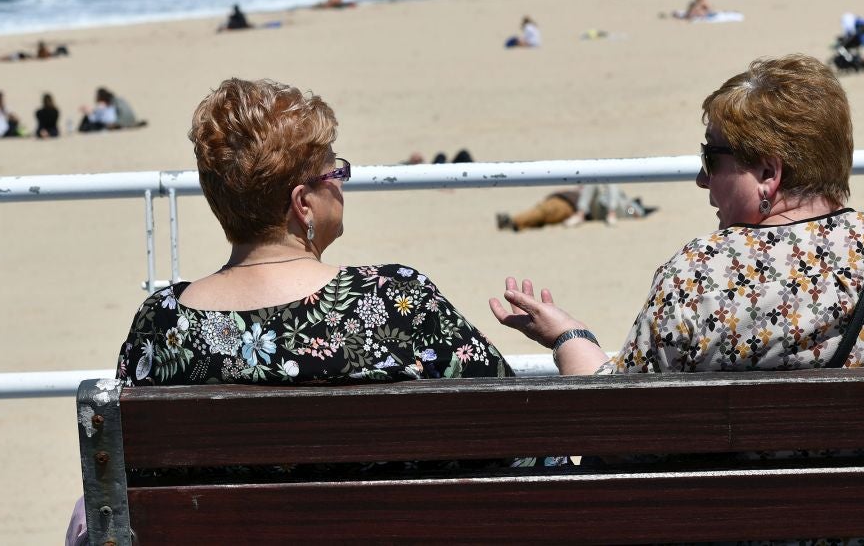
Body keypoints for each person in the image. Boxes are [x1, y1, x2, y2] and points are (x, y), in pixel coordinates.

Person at [66, 79, 522, 544]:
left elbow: (130, 483)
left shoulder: (161, 323)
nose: (342, 185)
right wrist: (573, 345)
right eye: (334, 174)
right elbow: (521, 443)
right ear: (302, 203)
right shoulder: (396, 299)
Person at [489, 52, 864, 405]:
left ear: (767, 172)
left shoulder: (700, 278)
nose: (702, 180)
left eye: (712, 159)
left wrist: (568, 337)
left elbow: (611, 416)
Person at [496, 184, 656, 232]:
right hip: (565, 202)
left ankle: (514, 221)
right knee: (541, 215)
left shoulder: (618, 197)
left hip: (570, 205)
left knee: (543, 213)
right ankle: (515, 223)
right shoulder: (585, 190)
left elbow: (611, 187)